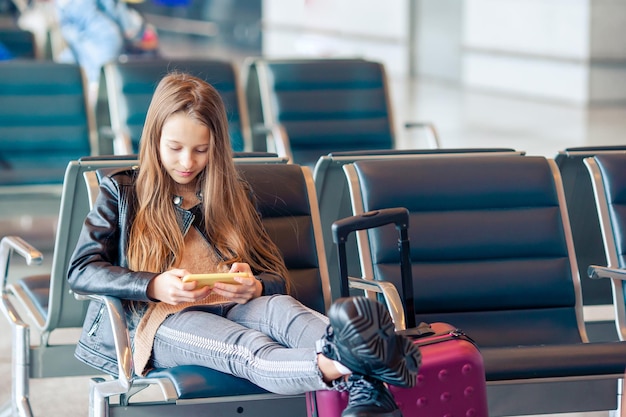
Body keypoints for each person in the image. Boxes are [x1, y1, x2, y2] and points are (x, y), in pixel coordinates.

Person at [67, 72, 421, 417]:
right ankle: (357, 362)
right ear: (154, 139)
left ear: (216, 147)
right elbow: (81, 270)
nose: (187, 162)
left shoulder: (231, 194)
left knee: (283, 307)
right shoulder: (122, 192)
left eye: (201, 150)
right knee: (247, 350)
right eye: (174, 148)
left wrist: (255, 285)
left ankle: (364, 359)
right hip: (161, 322)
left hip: (231, 305)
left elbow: (276, 277)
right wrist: (154, 284)